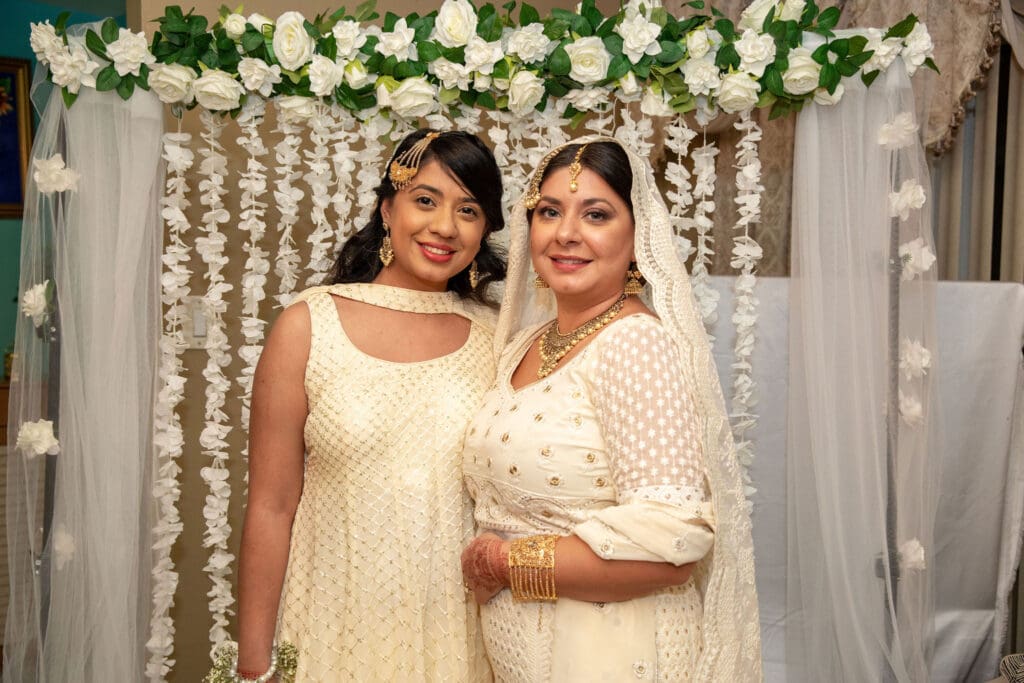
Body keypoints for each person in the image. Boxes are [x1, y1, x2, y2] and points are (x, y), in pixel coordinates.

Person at [460, 137, 762, 681]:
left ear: (636, 236)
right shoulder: (524, 343)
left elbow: (671, 542)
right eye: (549, 212)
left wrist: (504, 563)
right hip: (525, 654)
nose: (566, 233)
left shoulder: (634, 343)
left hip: (614, 653)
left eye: (595, 214)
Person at [215, 129, 506, 682]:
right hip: (332, 627)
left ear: (485, 229)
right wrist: (254, 665)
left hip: (460, 636)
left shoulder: (500, 339)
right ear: (387, 209)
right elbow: (272, 506)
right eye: (425, 200)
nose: (444, 226)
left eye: (468, 210)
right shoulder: (308, 325)